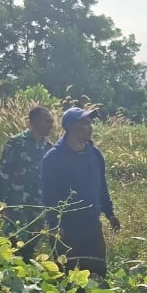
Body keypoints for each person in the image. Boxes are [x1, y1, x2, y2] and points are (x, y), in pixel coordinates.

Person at [41, 106, 121, 277]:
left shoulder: (94, 154)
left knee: (97, 275)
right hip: (66, 228)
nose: (89, 127)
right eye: (84, 123)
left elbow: (101, 186)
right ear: (70, 126)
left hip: (92, 225)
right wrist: (54, 225)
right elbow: (49, 195)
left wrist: (110, 213)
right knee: (64, 276)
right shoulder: (53, 158)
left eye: (90, 123)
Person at [0, 106, 54, 255]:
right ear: (35, 122)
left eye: (52, 122)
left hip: (38, 206)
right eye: (47, 122)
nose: (51, 125)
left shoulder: (49, 148)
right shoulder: (15, 143)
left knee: (31, 245)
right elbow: (3, 174)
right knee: (14, 244)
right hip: (16, 204)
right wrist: (0, 202)